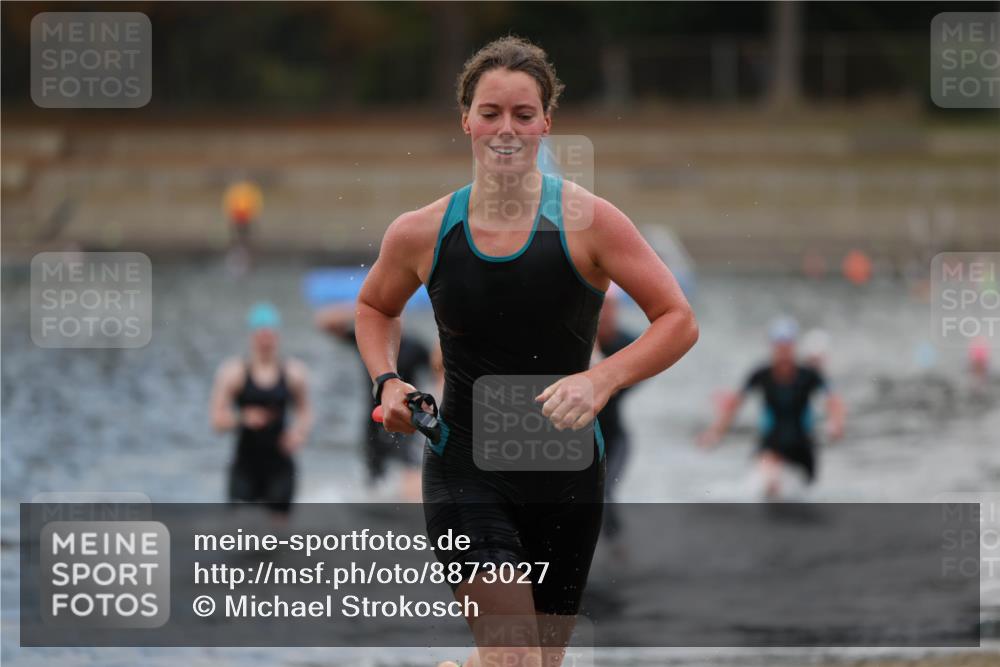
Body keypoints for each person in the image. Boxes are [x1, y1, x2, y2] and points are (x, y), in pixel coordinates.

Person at [353, 36, 698, 667]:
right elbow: (376, 308)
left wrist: (602, 381)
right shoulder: (421, 232)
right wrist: (386, 382)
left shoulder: (591, 223)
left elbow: (677, 319)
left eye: (522, 114)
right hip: (466, 469)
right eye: (490, 113)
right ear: (466, 119)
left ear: (546, 122)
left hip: (568, 476)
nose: (505, 129)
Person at [700, 316, 845, 499]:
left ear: (793, 347)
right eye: (779, 347)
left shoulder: (809, 375)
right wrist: (714, 433)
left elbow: (834, 401)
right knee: (767, 482)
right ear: (772, 347)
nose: (783, 352)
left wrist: (836, 424)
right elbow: (734, 405)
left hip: (802, 448)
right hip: (772, 445)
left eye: (787, 346)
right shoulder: (761, 374)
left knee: (792, 493)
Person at [315, 303, 431, 500]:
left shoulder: (416, 347)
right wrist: (369, 307)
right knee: (373, 479)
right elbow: (324, 323)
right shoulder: (371, 342)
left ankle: (411, 519)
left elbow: (438, 372)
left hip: (405, 419)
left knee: (409, 469)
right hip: (374, 420)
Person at [210, 302, 312, 519]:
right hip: (245, 464)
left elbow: (305, 412)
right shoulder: (233, 373)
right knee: (241, 533)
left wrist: (298, 434)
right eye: (261, 335)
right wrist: (242, 418)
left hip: (280, 463)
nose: (265, 340)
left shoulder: (294, 373)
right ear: (252, 337)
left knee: (279, 538)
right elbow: (217, 421)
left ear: (277, 336)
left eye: (270, 335)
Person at [593, 284, 640, 542]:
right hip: (579, 440)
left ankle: (618, 549)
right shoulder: (578, 341)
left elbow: (620, 389)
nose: (604, 314)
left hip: (615, 440)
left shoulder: (628, 343)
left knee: (604, 492)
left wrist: (601, 366)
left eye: (610, 308)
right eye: (600, 308)